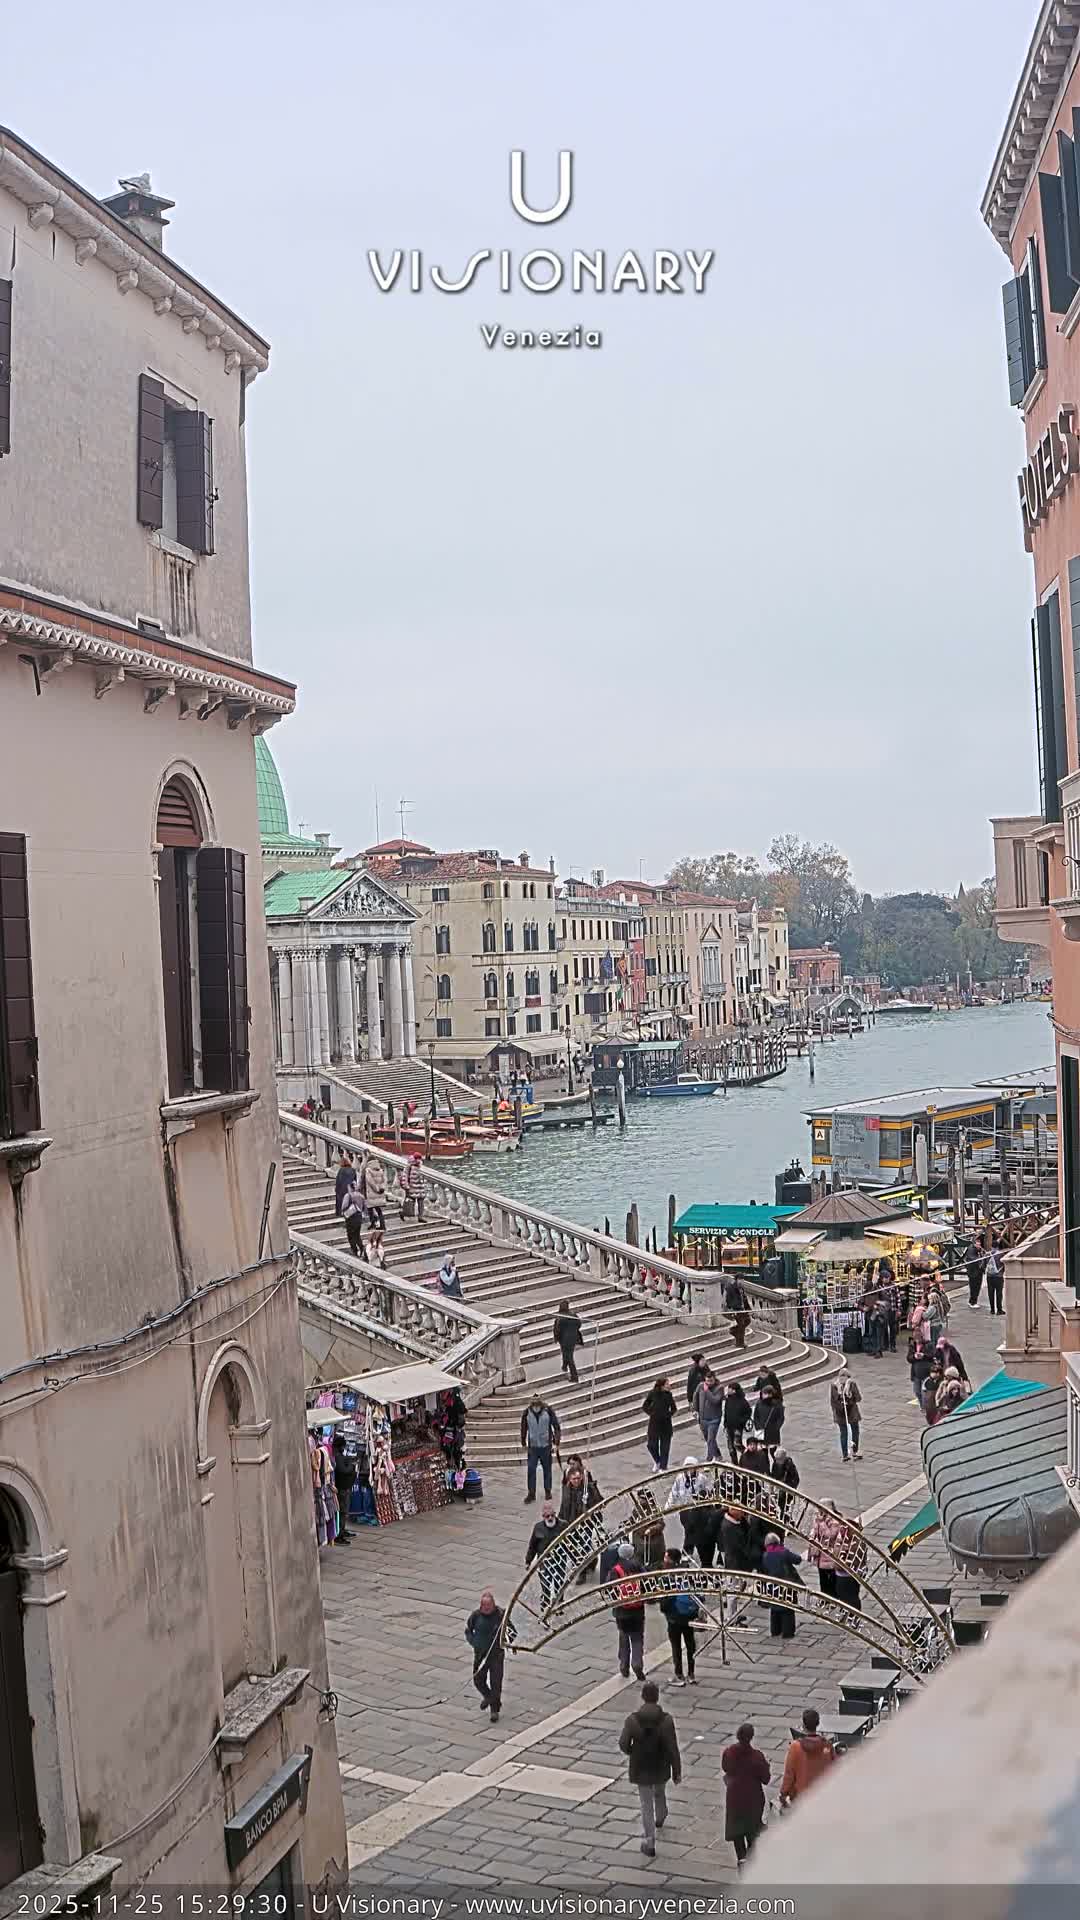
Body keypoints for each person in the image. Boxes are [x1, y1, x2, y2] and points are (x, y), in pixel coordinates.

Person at [618, 1680, 682, 1857]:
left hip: (641, 1766)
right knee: (659, 1793)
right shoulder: (666, 1720)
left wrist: (632, 1752)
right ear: (657, 1697)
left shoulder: (632, 1720)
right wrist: (677, 1771)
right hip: (660, 1764)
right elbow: (672, 1747)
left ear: (643, 1697)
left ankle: (649, 1841)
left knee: (646, 1804)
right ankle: (661, 1816)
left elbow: (623, 1744)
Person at [722, 1723, 771, 1868]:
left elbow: (725, 1768)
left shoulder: (729, 1752)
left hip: (735, 1799)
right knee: (752, 1833)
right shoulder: (757, 1757)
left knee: (737, 1832)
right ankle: (751, 1862)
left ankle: (741, 1860)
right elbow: (766, 1779)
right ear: (751, 1737)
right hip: (753, 1800)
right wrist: (767, 1766)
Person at [657, 1546, 701, 1684]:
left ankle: (679, 1675)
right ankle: (691, 1674)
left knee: (676, 1647)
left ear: (670, 1559)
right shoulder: (687, 1573)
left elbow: (664, 1599)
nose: (664, 1559)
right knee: (690, 1645)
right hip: (688, 1615)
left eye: (666, 1557)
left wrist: (664, 1609)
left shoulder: (666, 1576)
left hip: (674, 1617)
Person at [779, 1708, 835, 1806]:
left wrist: (784, 1792)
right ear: (818, 1724)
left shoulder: (795, 1747)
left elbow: (789, 1774)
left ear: (804, 1725)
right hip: (822, 1795)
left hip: (801, 1797)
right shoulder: (827, 1746)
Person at [465, 1590, 504, 1725]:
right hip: (480, 1654)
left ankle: (494, 1710)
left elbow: (511, 1632)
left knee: (496, 1683)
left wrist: (505, 1642)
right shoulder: (475, 1616)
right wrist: (473, 1641)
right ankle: (489, 1697)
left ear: (493, 1604)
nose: (486, 1608)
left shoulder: (501, 1615)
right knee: (478, 1680)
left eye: (489, 1605)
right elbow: (468, 1630)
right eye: (484, 1605)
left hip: (496, 1655)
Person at [559, 1457, 602, 1581]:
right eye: (574, 1479)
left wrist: (588, 1500)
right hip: (570, 1522)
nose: (576, 1481)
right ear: (569, 1479)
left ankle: (581, 1572)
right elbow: (563, 1505)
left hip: (585, 1523)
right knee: (571, 1547)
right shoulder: (566, 1489)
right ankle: (590, 1561)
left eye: (578, 1478)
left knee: (584, 1546)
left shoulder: (588, 1488)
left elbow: (599, 1503)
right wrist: (560, 1520)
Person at [610, 1542, 646, 1680]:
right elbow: (647, 1585)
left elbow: (610, 1590)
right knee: (637, 1638)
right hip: (637, 1611)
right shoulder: (639, 1567)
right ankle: (637, 1664)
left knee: (623, 1637)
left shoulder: (616, 1570)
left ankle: (624, 1666)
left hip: (621, 1612)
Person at [520, 1394, 561, 1503]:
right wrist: (523, 1442)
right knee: (531, 1469)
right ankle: (531, 1493)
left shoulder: (548, 1410)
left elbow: (556, 1427)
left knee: (547, 1469)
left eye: (537, 1402)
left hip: (546, 1446)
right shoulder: (527, 1412)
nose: (536, 1405)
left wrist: (556, 1443)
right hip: (533, 1447)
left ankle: (548, 1491)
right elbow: (523, 1428)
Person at [761, 1530, 802, 1639]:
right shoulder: (783, 1552)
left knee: (774, 1608)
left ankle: (775, 1630)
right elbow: (797, 1559)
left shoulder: (765, 1555)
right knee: (788, 1608)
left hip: (772, 1585)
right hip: (786, 1584)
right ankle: (787, 1632)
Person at [807, 1502, 845, 1598]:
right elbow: (815, 1533)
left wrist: (821, 1523)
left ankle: (833, 1598)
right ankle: (824, 1598)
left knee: (831, 1580)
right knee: (823, 1580)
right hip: (820, 1555)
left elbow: (830, 1535)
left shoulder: (835, 1521)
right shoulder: (820, 1519)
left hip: (830, 1555)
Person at [643, 1376, 677, 1471]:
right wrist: (652, 1413)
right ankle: (657, 1461)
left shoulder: (668, 1395)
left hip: (666, 1425)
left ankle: (663, 1467)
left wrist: (668, 1415)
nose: (669, 1385)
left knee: (665, 1447)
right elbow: (645, 1405)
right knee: (651, 1445)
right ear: (662, 1386)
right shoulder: (653, 1393)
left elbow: (674, 1408)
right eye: (667, 1384)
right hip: (654, 1424)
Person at [830, 1368, 862, 1461]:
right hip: (852, 1412)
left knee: (843, 1433)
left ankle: (845, 1454)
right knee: (855, 1431)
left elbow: (833, 1401)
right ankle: (855, 1451)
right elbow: (858, 1398)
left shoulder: (834, 1385)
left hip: (839, 1413)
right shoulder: (852, 1384)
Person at [694, 1370, 726, 1461]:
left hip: (714, 1419)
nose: (708, 1383)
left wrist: (706, 1391)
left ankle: (709, 1459)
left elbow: (715, 1400)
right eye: (707, 1381)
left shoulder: (719, 1388)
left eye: (711, 1381)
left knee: (710, 1440)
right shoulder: (701, 1385)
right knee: (708, 1439)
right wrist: (695, 1410)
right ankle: (718, 1455)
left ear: (714, 1379)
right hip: (703, 1418)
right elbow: (695, 1396)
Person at [331, 1432, 356, 1543]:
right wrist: (351, 1465)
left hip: (343, 1488)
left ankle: (342, 1530)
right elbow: (344, 1470)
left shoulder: (339, 1457)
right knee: (342, 1511)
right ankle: (339, 1534)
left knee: (343, 1511)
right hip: (341, 1489)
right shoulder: (338, 1458)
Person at [553, 1300, 584, 1384]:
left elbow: (557, 1329)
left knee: (569, 1356)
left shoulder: (560, 1317)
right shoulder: (573, 1315)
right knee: (567, 1353)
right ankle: (564, 1366)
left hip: (564, 1340)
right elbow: (579, 1324)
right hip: (573, 1338)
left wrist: (557, 1338)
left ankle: (574, 1376)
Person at [524, 1500, 563, 1565]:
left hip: (559, 1560)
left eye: (552, 1515)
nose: (550, 1518)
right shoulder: (538, 1527)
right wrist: (528, 1561)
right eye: (547, 1516)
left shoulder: (563, 1525)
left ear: (555, 1514)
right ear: (543, 1516)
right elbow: (533, 1546)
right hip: (543, 1561)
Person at [722, 1380, 752, 1463]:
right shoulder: (728, 1400)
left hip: (737, 1427)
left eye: (729, 1389)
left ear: (734, 1390)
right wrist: (725, 1424)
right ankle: (735, 1463)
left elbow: (748, 1412)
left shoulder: (742, 1401)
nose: (728, 1390)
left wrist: (741, 1421)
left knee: (737, 1444)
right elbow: (726, 1412)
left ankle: (748, 1455)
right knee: (730, 1447)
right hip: (729, 1426)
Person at [769, 1447, 800, 1519]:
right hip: (779, 1488)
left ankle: (784, 1517)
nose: (777, 1461)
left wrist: (790, 1488)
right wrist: (772, 1489)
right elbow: (773, 1476)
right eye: (776, 1459)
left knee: (785, 1506)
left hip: (787, 1489)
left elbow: (796, 1479)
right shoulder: (775, 1464)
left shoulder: (789, 1465)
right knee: (778, 1503)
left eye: (779, 1459)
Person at [755, 1384, 785, 1455]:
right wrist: (758, 1426)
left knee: (773, 1452)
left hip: (772, 1432)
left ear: (770, 1394)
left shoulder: (777, 1404)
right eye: (763, 1393)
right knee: (763, 1452)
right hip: (762, 1431)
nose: (763, 1395)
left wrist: (776, 1427)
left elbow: (781, 1417)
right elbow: (756, 1416)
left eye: (765, 1394)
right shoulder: (759, 1403)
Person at [341, 1178, 367, 1258]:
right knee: (357, 1234)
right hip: (359, 1217)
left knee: (350, 1235)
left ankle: (354, 1250)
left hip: (351, 1218)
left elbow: (344, 1206)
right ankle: (362, 1248)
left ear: (349, 1187)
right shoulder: (361, 1196)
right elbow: (364, 1207)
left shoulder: (348, 1195)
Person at [724, 1275, 751, 1349]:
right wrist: (733, 1308)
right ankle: (740, 1343)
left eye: (742, 1280)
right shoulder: (731, 1288)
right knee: (741, 1325)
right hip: (736, 1309)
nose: (742, 1281)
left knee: (748, 1320)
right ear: (736, 1279)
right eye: (740, 1279)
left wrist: (749, 1309)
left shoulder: (741, 1288)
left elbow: (744, 1299)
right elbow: (728, 1299)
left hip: (742, 1309)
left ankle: (734, 1331)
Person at [362, 1154, 387, 1232]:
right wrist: (381, 1188)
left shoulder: (368, 1170)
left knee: (370, 1208)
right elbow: (384, 1180)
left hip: (372, 1193)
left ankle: (373, 1223)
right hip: (379, 1193)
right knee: (379, 1210)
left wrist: (376, 1189)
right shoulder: (380, 1170)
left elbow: (370, 1181)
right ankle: (382, 1225)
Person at [922, 1357, 945, 1425]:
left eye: (936, 1372)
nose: (934, 1374)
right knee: (930, 1416)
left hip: (938, 1403)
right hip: (929, 1404)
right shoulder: (927, 1381)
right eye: (932, 1372)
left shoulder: (942, 1382)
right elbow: (923, 1392)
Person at [403, 1153, 425, 1222]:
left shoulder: (420, 1166)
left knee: (421, 1202)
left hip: (420, 1188)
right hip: (412, 1187)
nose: (419, 1160)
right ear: (415, 1159)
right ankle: (404, 1213)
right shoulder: (409, 1166)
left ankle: (420, 1217)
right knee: (410, 1203)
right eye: (418, 1158)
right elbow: (405, 1176)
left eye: (420, 1159)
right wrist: (406, 1186)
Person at [334, 1149, 357, 1216]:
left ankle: (340, 1212)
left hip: (342, 1189)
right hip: (350, 1188)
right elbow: (355, 1180)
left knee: (341, 1201)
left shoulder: (341, 1170)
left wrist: (336, 1189)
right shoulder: (352, 1170)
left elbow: (338, 1181)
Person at [985, 1243, 1005, 1316]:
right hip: (998, 1276)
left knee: (991, 1293)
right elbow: (1004, 1264)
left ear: (991, 1246)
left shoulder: (987, 1254)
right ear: (998, 1246)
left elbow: (984, 1264)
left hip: (989, 1276)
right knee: (999, 1293)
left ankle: (992, 1310)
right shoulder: (1001, 1254)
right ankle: (999, 1310)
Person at [966, 1243, 986, 1309]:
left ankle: (973, 1301)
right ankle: (973, 1302)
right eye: (978, 1244)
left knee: (977, 1287)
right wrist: (982, 1257)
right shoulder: (971, 1250)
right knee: (974, 1287)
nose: (979, 1245)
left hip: (978, 1271)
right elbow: (974, 1259)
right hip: (974, 1272)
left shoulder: (979, 1250)